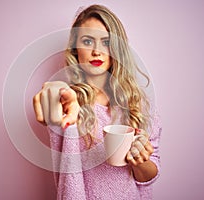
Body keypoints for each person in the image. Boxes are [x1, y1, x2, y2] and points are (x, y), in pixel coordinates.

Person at [33, 4, 162, 200]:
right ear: (76, 49)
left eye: (106, 42)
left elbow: (148, 176)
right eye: (87, 41)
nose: (96, 51)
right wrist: (53, 95)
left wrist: (139, 160)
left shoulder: (139, 105)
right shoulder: (69, 103)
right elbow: (54, 107)